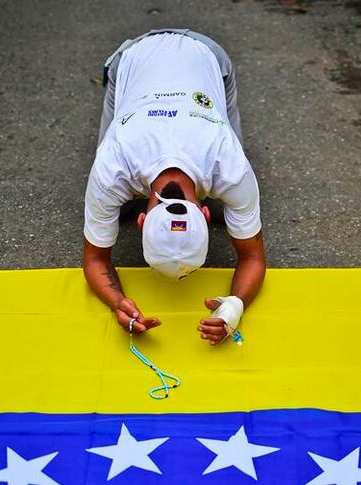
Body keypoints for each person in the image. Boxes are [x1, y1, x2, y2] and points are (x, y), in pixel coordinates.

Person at [82, 29, 266, 345]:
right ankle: (124, 204)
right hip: (132, 59)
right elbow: (94, 260)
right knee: (114, 201)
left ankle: (121, 206)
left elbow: (254, 259)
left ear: (143, 222)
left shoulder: (230, 162)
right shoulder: (111, 165)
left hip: (207, 57)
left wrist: (234, 307)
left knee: (226, 143)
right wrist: (117, 303)